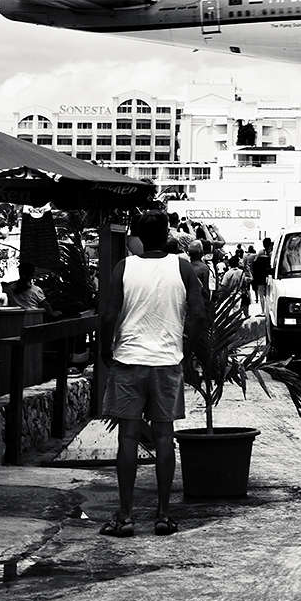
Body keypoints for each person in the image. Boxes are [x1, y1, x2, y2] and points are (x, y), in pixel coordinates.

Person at [99, 211, 208, 537]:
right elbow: (199, 315)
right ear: (167, 235)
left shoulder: (125, 267)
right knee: (164, 438)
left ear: (138, 237)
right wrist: (187, 352)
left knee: (128, 439)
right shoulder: (183, 267)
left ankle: (126, 515)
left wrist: (106, 351)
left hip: (129, 360)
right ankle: (162, 514)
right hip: (166, 362)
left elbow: (108, 315)